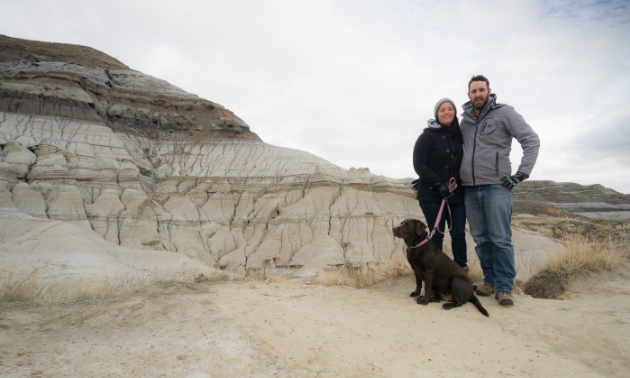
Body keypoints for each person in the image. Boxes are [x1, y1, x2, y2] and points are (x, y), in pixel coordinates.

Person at [460, 75, 540, 306]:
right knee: (481, 240)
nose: (478, 94)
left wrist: (521, 174)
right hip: (470, 190)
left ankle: (505, 288)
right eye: (474, 91)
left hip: (497, 187)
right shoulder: (464, 120)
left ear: (489, 91)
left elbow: (531, 140)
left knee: (501, 239)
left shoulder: (505, 113)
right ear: (469, 94)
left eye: (481, 90)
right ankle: (490, 281)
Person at [412, 98, 468, 270]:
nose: (446, 112)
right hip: (431, 195)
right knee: (436, 235)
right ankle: (435, 273)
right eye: (442, 109)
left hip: (455, 195)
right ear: (437, 114)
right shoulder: (426, 137)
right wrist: (438, 184)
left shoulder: (459, 137)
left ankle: (461, 271)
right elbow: (419, 164)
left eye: (450, 109)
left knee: (458, 233)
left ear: (454, 113)